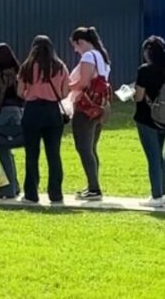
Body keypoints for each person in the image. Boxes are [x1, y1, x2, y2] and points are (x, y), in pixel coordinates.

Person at [17, 36, 70, 204]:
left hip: (32, 111)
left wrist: (32, 93)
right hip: (52, 111)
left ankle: (31, 194)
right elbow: (64, 92)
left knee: (31, 154)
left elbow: (20, 92)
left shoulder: (26, 66)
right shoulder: (60, 66)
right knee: (54, 154)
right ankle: (56, 194)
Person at [134, 36, 165, 208]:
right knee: (159, 158)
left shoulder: (144, 70)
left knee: (153, 158)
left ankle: (156, 196)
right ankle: (163, 194)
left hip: (146, 118)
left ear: (148, 52)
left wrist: (131, 94)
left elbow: (139, 96)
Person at [69, 27, 112, 201]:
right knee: (92, 148)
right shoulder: (102, 57)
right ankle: (93, 185)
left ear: (80, 42)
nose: (75, 50)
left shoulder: (88, 56)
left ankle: (94, 188)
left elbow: (83, 82)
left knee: (83, 148)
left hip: (86, 107)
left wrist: (67, 86)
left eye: (75, 46)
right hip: (99, 106)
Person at [0, 43, 23, 200]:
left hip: (5, 112)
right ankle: (14, 185)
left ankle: (7, 189)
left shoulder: (4, 75)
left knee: (2, 150)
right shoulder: (17, 72)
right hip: (16, 111)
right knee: (8, 149)